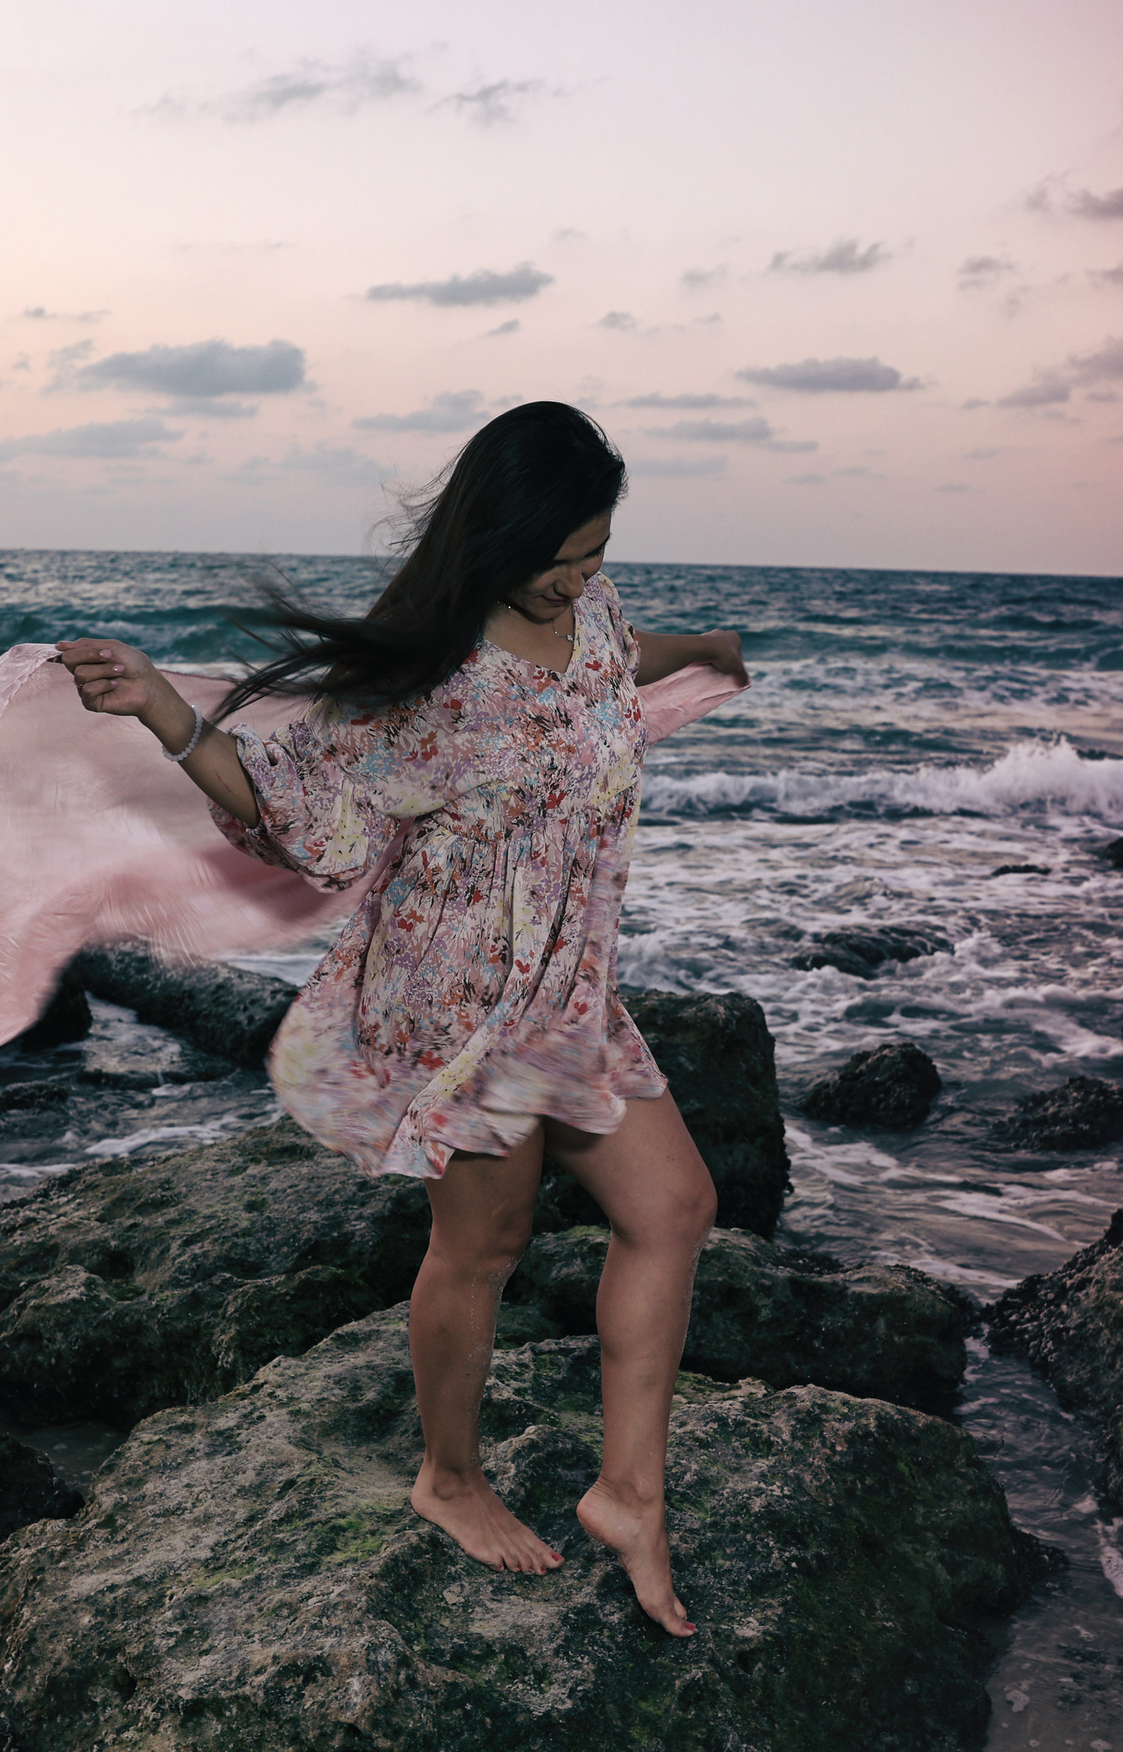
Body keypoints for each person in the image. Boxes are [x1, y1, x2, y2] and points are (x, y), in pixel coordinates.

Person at [54, 401, 748, 1637]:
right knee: (483, 1247)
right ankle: (449, 1478)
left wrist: (704, 642)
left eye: (597, 554)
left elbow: (612, 655)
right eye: (565, 555)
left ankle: (628, 1497)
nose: (582, 579)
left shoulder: (584, 615)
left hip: (567, 991)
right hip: (454, 1006)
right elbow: (294, 818)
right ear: (501, 535)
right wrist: (162, 709)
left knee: (675, 1206)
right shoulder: (418, 680)